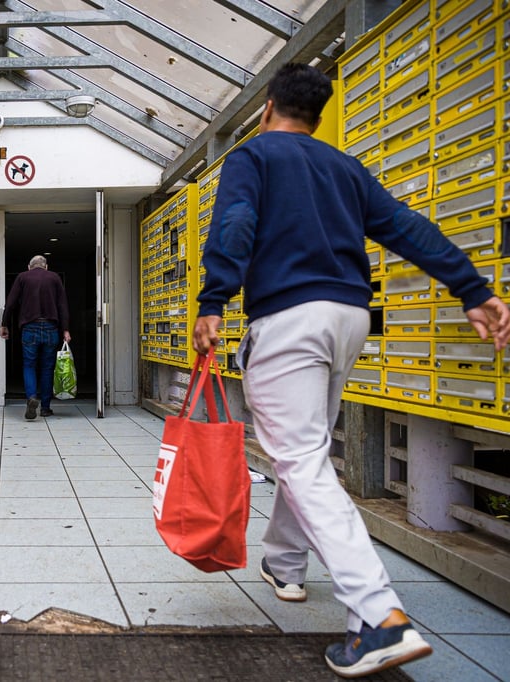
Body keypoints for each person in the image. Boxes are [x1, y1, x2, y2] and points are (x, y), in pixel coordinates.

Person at [192, 63, 510, 679]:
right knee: (303, 450)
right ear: (317, 115)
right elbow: (407, 227)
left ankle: (378, 617)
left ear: (266, 106)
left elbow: (234, 224)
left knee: (301, 458)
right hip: (347, 316)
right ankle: (285, 565)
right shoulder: (344, 166)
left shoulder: (253, 157)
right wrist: (471, 288)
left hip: (287, 318)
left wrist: (213, 301)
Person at [0, 255, 71, 420]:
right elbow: (63, 305)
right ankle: (45, 408)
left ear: (29, 266)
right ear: (46, 266)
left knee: (29, 365)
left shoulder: (22, 277)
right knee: (47, 368)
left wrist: (4, 324)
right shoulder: (54, 277)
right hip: (51, 328)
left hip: (29, 327)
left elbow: (10, 303)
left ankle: (31, 397)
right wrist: (65, 329)